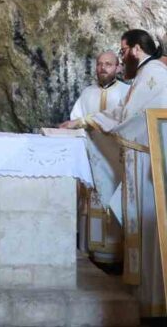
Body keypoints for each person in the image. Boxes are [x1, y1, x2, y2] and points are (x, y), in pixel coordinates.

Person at [96, 29, 167, 319]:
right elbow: (126, 110)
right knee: (148, 233)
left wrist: (89, 121)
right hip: (149, 157)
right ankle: (150, 299)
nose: (122, 57)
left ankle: (153, 303)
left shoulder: (153, 74)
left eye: (122, 51)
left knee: (150, 231)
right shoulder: (151, 74)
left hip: (149, 163)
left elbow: (125, 116)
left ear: (135, 49)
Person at [60, 52, 130, 263]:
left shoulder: (127, 92)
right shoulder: (87, 93)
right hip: (92, 158)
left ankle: (118, 255)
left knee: (116, 201)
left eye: (108, 64)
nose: (103, 68)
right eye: (99, 64)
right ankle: (92, 252)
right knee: (92, 203)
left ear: (118, 68)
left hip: (117, 159)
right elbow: (76, 121)